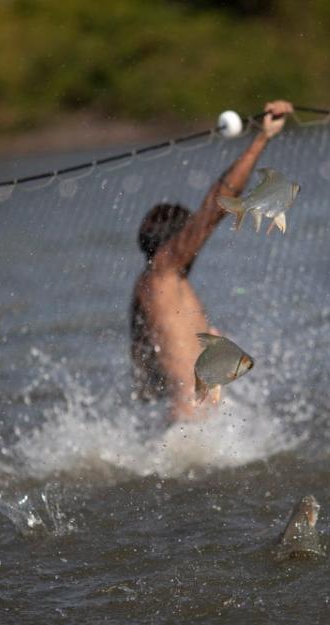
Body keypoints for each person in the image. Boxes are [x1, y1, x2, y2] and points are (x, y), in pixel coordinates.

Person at [130, 100, 293, 421]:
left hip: (181, 424)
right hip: (197, 425)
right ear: (175, 242)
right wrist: (262, 138)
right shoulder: (166, 269)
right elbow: (214, 208)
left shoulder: (146, 289)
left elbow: (145, 382)